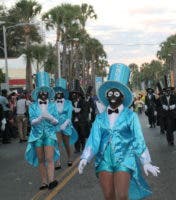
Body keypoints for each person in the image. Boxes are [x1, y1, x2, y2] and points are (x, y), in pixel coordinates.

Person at [78, 63, 159, 200]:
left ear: (122, 96)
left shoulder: (131, 116)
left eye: (116, 93)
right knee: (109, 196)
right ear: (107, 96)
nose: (113, 96)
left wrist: (145, 161)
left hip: (125, 157)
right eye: (110, 93)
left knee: (122, 196)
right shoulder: (100, 118)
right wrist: (85, 157)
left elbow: (138, 138)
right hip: (104, 158)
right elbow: (93, 139)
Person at [25, 71, 59, 190]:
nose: (43, 93)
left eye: (45, 91)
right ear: (38, 93)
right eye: (41, 91)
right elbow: (31, 121)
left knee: (49, 158)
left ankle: (51, 180)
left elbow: (56, 121)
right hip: (37, 135)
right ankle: (44, 181)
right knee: (40, 159)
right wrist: (39, 118)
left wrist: (50, 117)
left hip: (49, 134)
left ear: (48, 93)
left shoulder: (53, 105)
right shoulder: (33, 106)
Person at [53, 78, 78, 169]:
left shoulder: (68, 102)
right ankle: (58, 162)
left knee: (66, 144)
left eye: (60, 92)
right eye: (57, 92)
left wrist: (65, 124)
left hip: (66, 126)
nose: (58, 93)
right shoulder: (53, 103)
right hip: (56, 125)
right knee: (57, 144)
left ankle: (70, 158)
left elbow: (69, 115)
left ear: (63, 93)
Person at [70, 79, 86, 153]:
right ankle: (77, 148)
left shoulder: (83, 101)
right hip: (74, 121)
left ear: (78, 94)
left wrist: (79, 111)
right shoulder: (71, 102)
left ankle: (83, 146)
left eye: (75, 93)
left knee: (82, 134)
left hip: (81, 121)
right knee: (76, 135)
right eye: (73, 93)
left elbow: (85, 110)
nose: (74, 95)